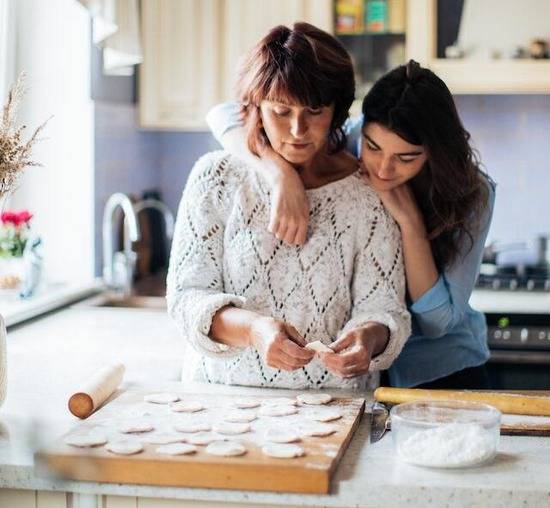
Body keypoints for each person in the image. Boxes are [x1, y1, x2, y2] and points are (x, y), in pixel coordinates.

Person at [207, 60, 495, 390]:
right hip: (358, 375)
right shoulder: (345, 140)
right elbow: (224, 115)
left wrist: (410, 224)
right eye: (373, 147)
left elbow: (437, 323)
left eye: (406, 158)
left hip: (439, 370)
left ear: (434, 153)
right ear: (362, 128)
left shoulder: (473, 193)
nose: (384, 169)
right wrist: (279, 175)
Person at [167, 23, 411, 390]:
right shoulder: (216, 178)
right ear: (256, 108)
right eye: (281, 111)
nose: (298, 130)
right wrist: (253, 330)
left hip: (335, 405)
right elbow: (187, 297)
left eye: (314, 110)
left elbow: (386, 307)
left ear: (337, 111)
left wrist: (368, 338)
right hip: (221, 403)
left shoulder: (367, 193)